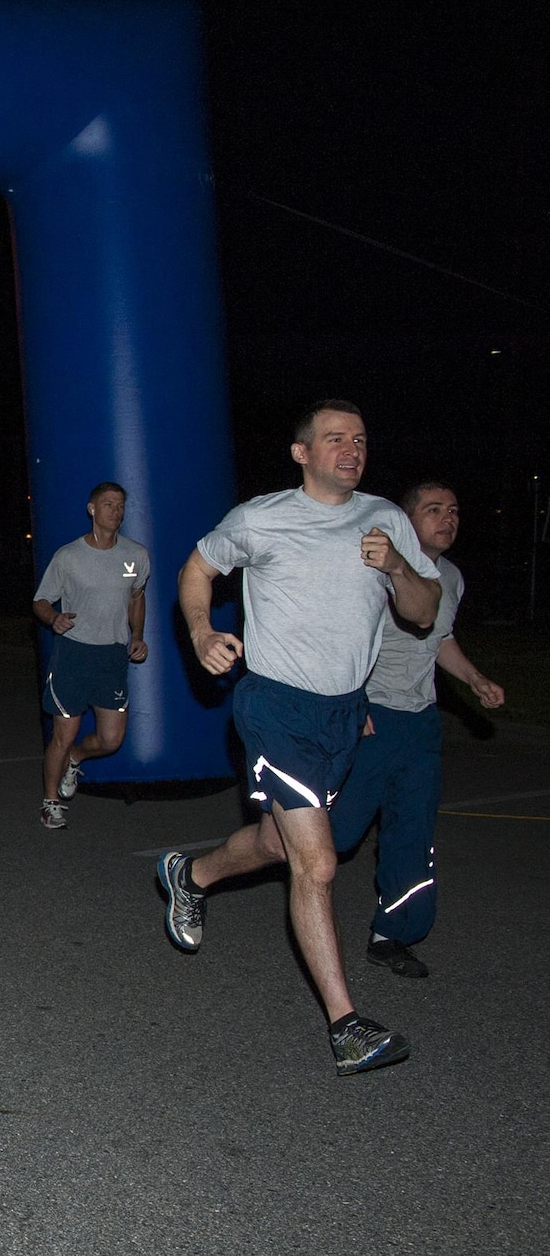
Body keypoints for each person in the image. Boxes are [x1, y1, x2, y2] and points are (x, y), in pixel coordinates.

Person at [164, 399, 439, 1077]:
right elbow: (194, 570)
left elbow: (423, 611)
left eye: (362, 438)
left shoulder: (386, 519)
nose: (352, 449)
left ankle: (190, 873)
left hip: (345, 714)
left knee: (276, 843)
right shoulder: (262, 517)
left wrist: (398, 566)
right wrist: (201, 632)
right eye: (336, 438)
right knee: (317, 863)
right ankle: (346, 1025)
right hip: (275, 708)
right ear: (302, 452)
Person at [330, 482, 504, 978]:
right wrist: (352, 700)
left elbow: (439, 636)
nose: (447, 518)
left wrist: (474, 679)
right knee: (336, 834)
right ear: (406, 521)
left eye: (453, 510)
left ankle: (393, 933)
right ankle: (251, 859)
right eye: (434, 510)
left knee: (413, 831)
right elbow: (344, 637)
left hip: (421, 722)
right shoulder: (374, 571)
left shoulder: (449, 576)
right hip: (372, 716)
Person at [30, 482, 150, 829]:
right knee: (63, 735)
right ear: (92, 509)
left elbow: (136, 596)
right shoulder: (68, 556)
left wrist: (138, 636)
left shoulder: (136, 555)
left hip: (112, 657)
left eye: (121, 505)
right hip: (74, 655)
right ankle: (50, 802)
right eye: (109, 504)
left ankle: (77, 758)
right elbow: (40, 601)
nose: (116, 510)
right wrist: (54, 618)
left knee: (112, 739)